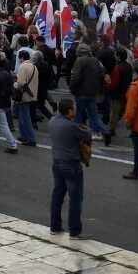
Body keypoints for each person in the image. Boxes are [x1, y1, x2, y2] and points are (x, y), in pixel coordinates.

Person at [49, 98, 91, 238]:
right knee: (75, 198)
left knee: (57, 195)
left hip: (57, 162)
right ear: (69, 111)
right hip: (71, 165)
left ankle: (55, 226)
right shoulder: (71, 126)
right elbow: (87, 135)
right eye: (74, 108)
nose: (76, 109)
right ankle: (74, 230)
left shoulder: (52, 121)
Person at [69, 42, 108, 137]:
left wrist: (72, 87)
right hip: (93, 92)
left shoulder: (79, 60)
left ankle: (75, 133)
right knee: (93, 115)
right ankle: (105, 132)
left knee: (78, 114)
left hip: (81, 92)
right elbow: (102, 73)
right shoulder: (95, 60)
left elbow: (75, 77)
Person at [13, 49, 41, 146]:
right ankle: (24, 135)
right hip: (32, 94)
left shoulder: (23, 66)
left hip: (24, 95)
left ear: (21, 58)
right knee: (23, 116)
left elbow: (21, 83)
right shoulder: (34, 67)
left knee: (25, 117)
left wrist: (14, 85)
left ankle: (30, 138)